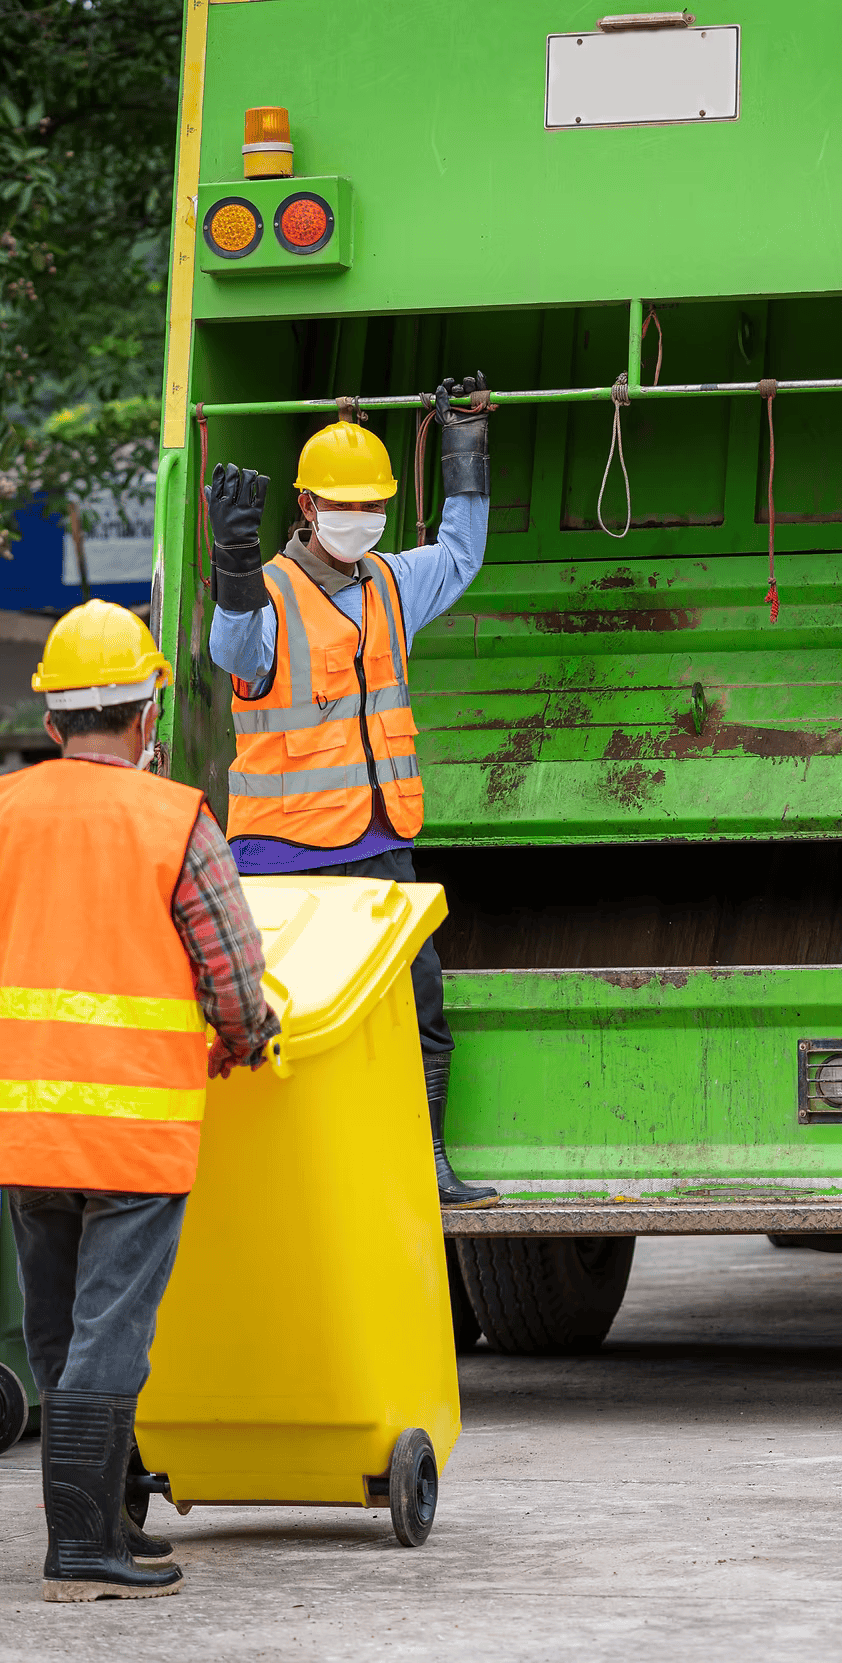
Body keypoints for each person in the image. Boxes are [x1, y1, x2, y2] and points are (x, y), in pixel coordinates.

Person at [0, 601, 279, 1602]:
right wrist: (247, 1042)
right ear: (147, 707)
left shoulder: (4, 809)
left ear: (54, 718)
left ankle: (104, 1516)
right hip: (134, 1132)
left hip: (26, 1128)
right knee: (109, 1331)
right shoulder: (175, 819)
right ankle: (81, 1549)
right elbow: (233, 973)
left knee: (56, 1325)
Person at [205, 375, 496, 1207]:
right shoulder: (265, 596)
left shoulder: (393, 583)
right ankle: (284, 1182)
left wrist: (465, 444)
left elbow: (462, 553)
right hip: (281, 859)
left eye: (373, 503)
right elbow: (235, 654)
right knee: (288, 1024)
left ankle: (427, 1163)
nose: (360, 517)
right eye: (343, 502)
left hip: (377, 846)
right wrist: (231, 566)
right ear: (305, 503)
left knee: (418, 1008)